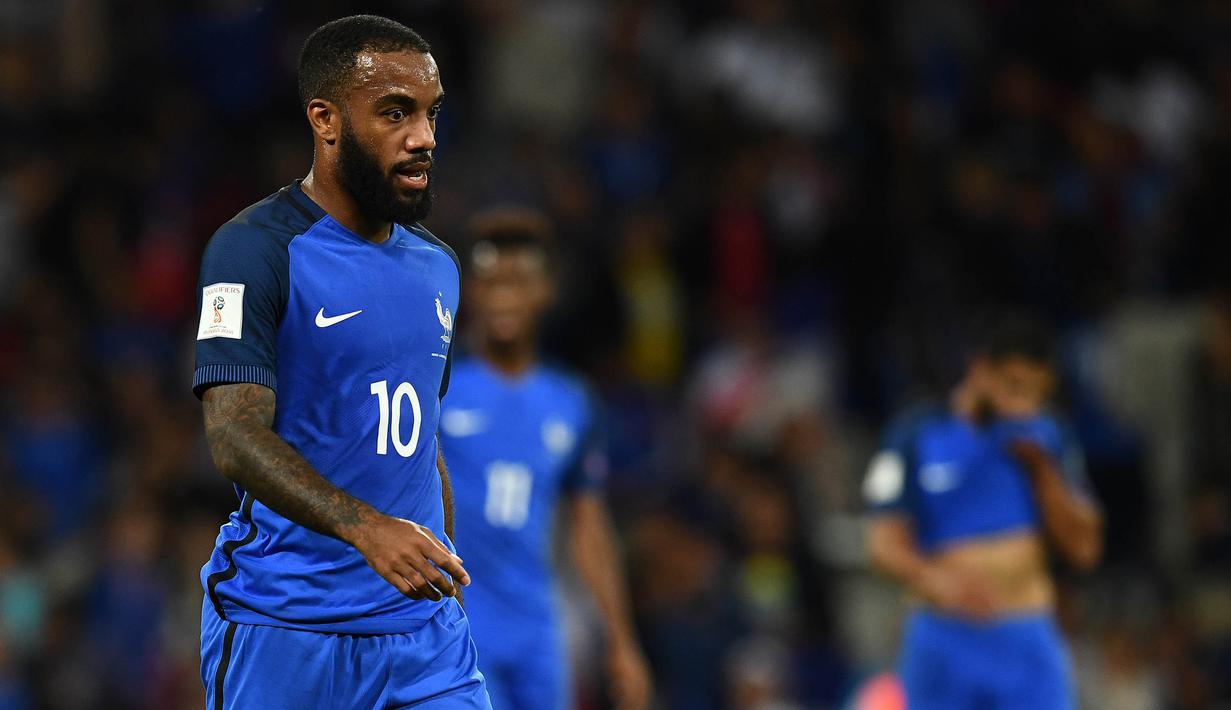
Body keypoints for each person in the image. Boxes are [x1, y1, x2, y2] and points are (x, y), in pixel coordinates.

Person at [192, 15, 490, 709]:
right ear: (325, 120)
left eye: (430, 113)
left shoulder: (439, 266)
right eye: (395, 113)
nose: (424, 138)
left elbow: (419, 437)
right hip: (287, 629)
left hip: (424, 639)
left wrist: (436, 562)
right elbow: (233, 435)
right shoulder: (253, 251)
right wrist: (366, 529)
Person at [438, 209, 653, 710]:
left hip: (537, 625)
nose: (504, 297)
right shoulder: (440, 385)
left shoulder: (571, 400)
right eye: (492, 283)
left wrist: (622, 641)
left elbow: (588, 525)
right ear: (472, 293)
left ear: (546, 292)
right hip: (459, 616)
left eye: (519, 283)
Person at [864, 317, 1103, 710]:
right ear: (979, 369)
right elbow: (880, 546)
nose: (1022, 404)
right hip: (943, 638)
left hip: (1025, 635)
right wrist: (936, 580)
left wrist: (1042, 472)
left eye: (1034, 393)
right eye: (1012, 386)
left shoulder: (1048, 436)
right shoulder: (912, 433)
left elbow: (1085, 549)